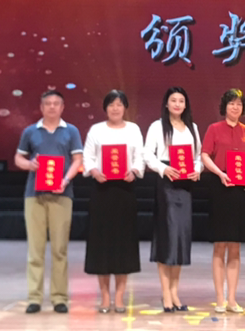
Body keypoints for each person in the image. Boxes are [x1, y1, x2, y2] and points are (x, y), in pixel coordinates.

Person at [14, 90, 83, 314]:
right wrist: (29, 165)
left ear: (62, 107)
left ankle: (59, 297)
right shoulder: (30, 131)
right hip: (34, 195)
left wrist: (65, 180)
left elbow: (78, 160)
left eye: (56, 103)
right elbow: (18, 157)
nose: (52, 107)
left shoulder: (71, 131)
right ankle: (34, 298)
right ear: (41, 107)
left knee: (59, 249)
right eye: (48, 103)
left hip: (62, 194)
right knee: (35, 250)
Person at [83, 89, 145, 313]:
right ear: (105, 108)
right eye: (111, 104)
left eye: (119, 104)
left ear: (125, 107)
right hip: (102, 191)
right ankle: (104, 297)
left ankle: (119, 297)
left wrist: (135, 170)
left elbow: (140, 156)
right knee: (102, 245)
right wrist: (94, 171)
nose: (115, 108)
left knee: (123, 245)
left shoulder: (133, 129)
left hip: (125, 191)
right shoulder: (96, 130)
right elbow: (88, 156)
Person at [143, 87, 202, 312]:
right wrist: (163, 169)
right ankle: (166, 293)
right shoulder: (157, 126)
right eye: (173, 100)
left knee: (181, 238)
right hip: (167, 184)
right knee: (167, 237)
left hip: (185, 186)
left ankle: (175, 292)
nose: (177, 104)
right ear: (166, 104)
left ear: (185, 105)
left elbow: (198, 156)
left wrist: (197, 170)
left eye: (181, 101)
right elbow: (147, 154)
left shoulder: (192, 128)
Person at [201, 88, 245, 313]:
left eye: (239, 104)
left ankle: (232, 299)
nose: (235, 107)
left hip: (240, 191)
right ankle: (220, 299)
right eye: (231, 103)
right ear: (225, 106)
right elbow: (205, 155)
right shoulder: (214, 129)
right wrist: (219, 173)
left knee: (235, 246)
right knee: (219, 245)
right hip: (220, 187)